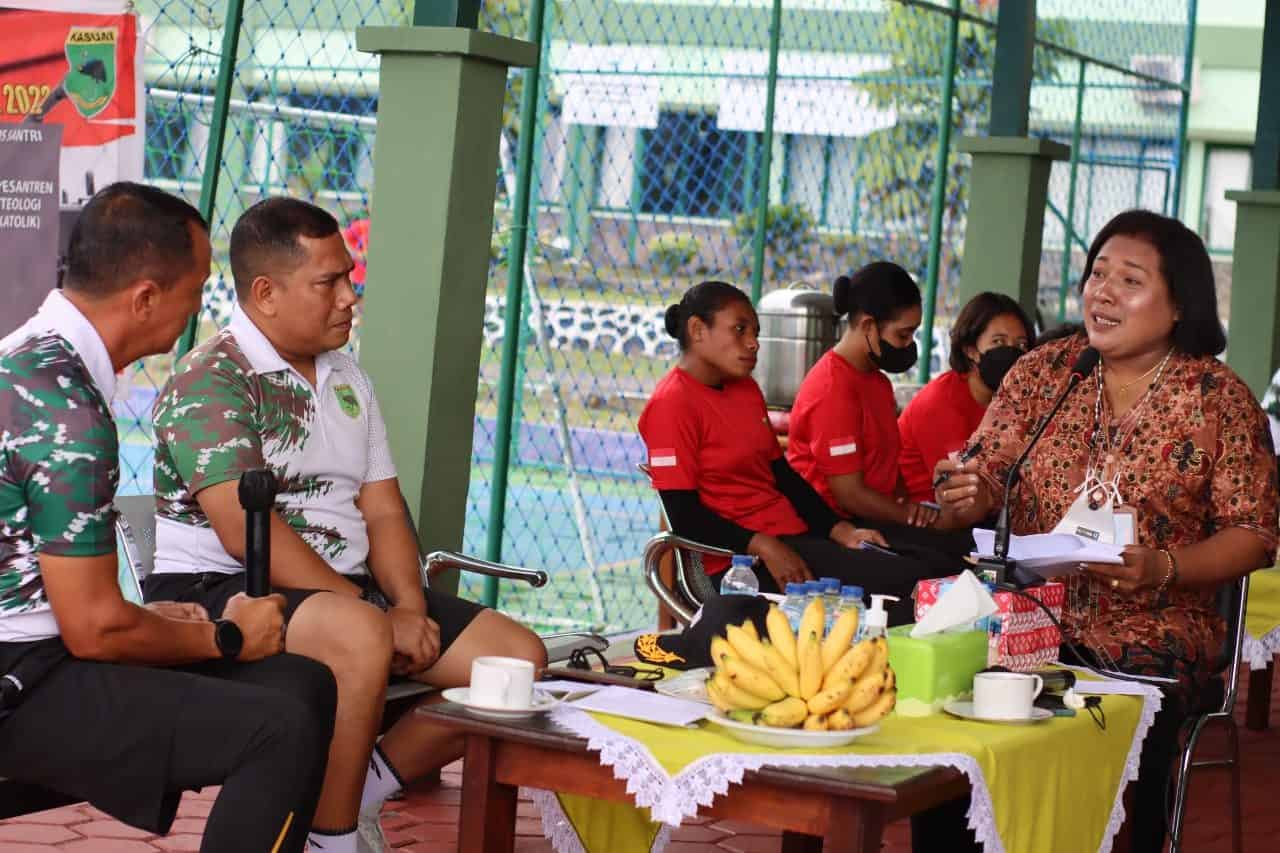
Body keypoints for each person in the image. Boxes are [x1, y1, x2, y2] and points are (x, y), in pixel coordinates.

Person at [144, 197, 546, 853]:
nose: (348, 297)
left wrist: (410, 605)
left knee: (515, 663)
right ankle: (333, 841)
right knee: (362, 634)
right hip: (222, 585)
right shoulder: (210, 379)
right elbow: (248, 532)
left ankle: (357, 790)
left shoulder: (348, 376)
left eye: (349, 278)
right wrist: (371, 610)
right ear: (266, 293)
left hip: (337, 589)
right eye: (328, 282)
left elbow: (384, 507)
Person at [0, 182, 337, 853]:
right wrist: (225, 637)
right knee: (281, 727)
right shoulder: (65, 403)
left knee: (303, 682)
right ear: (147, 297)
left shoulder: (34, 354)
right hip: (21, 680)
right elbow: (95, 628)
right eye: (198, 287)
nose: (200, 307)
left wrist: (165, 622)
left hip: (42, 650)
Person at [930, 209, 1278, 852]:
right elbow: (973, 484)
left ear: (1178, 306)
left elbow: (1254, 533)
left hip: (1157, 628)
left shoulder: (1218, 399)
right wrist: (965, 493)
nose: (1104, 292)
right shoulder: (1044, 373)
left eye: (1131, 280)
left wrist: (1162, 567)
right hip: (1028, 615)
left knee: (1111, 714)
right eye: (1097, 273)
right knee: (946, 694)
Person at [637, 280, 951, 625]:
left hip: (793, 538)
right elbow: (684, 516)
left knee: (939, 564)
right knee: (910, 586)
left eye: (755, 332)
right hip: (739, 564)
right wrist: (763, 545)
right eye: (740, 330)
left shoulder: (745, 390)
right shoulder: (671, 404)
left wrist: (838, 529)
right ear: (698, 330)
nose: (753, 343)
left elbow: (782, 476)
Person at [785, 263, 971, 558]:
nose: (909, 345)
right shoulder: (832, 388)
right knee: (934, 566)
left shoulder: (878, 382)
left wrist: (915, 510)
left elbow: (887, 469)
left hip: (874, 520)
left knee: (965, 549)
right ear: (869, 326)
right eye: (903, 335)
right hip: (832, 529)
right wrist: (912, 514)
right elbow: (850, 494)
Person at [897, 292, 1034, 504]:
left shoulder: (1011, 399)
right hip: (927, 518)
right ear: (970, 350)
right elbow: (963, 488)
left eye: (1021, 345)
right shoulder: (939, 404)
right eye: (998, 342)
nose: (1012, 353)